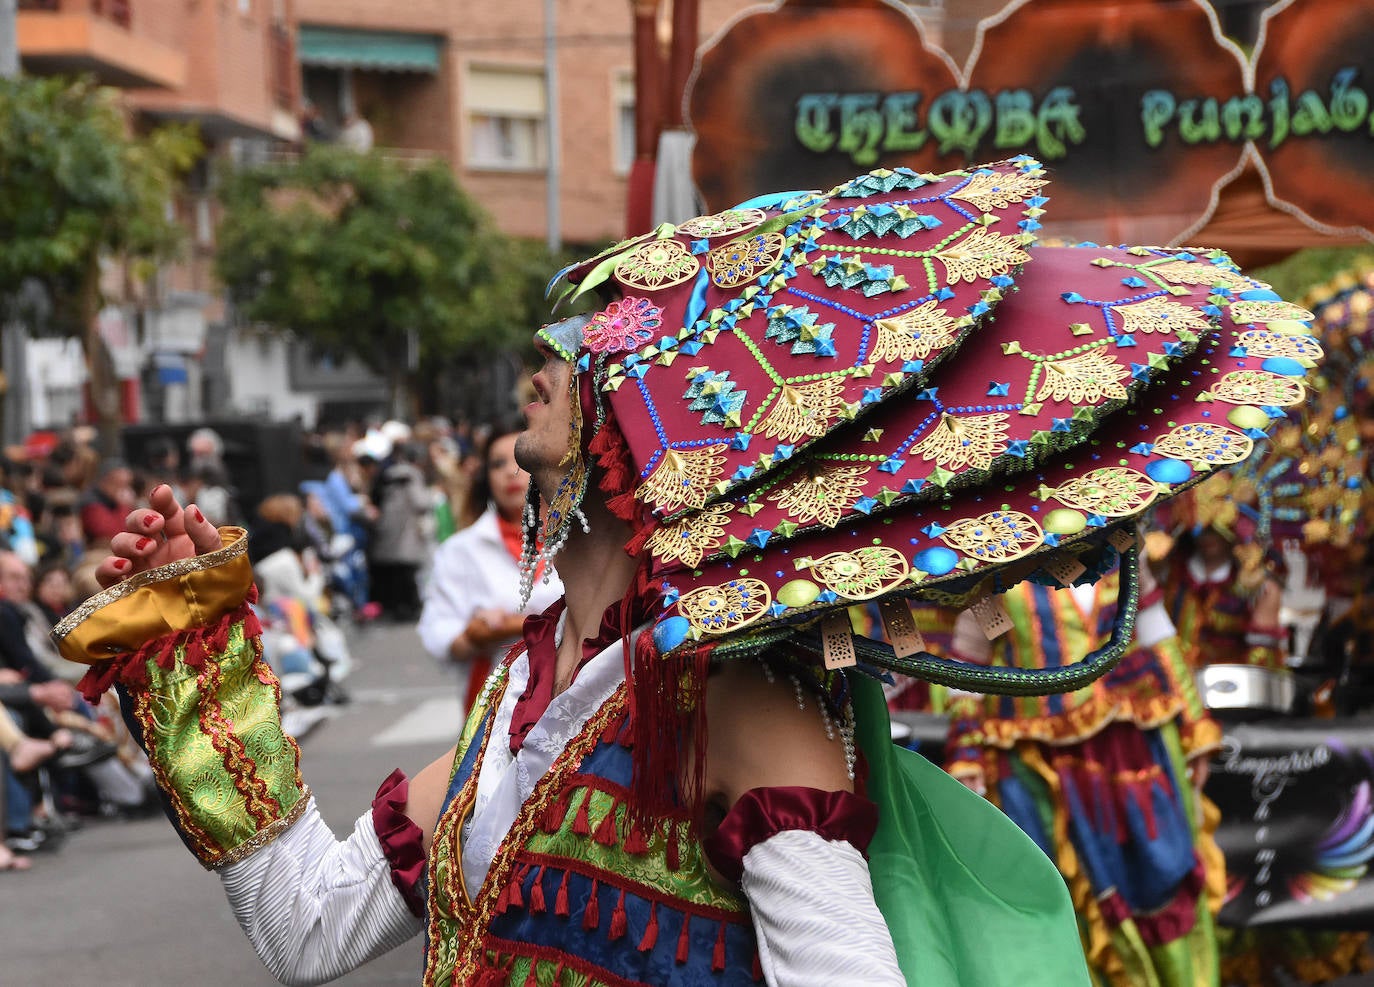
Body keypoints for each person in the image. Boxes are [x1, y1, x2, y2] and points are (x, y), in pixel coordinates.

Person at [55, 160, 1317, 985]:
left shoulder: (735, 694)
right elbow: (309, 931)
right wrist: (190, 649)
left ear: (662, 400)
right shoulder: (526, 689)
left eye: (584, 331)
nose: (540, 358)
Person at [938, 552, 1223, 984]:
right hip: (1039, 767)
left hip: (1130, 754)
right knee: (1059, 893)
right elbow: (967, 664)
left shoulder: (1124, 542)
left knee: (1158, 880)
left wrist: (1194, 726)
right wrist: (967, 753)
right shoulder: (993, 562)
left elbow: (1156, 632)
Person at [417, 424, 564, 713]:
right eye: (498, 463)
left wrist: (514, 624)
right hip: (497, 705)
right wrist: (474, 635)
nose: (512, 472)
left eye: (522, 461)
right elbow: (440, 633)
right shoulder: (461, 549)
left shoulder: (583, 536)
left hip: (576, 693)